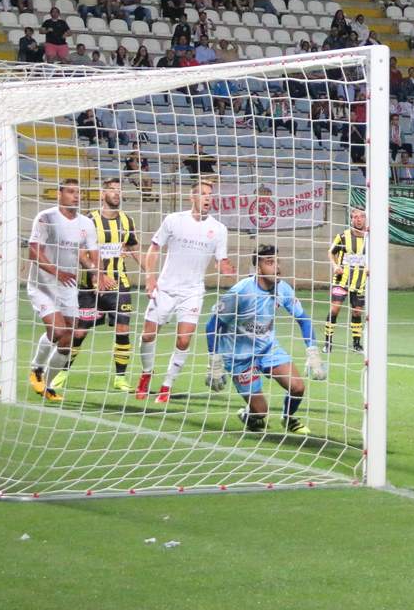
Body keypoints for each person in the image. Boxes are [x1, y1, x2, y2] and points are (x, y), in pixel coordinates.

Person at [205, 245, 326, 435]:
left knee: (297, 387)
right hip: (238, 356)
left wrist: (313, 352)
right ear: (258, 268)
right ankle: (251, 415)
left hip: (267, 348)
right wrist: (214, 361)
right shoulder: (241, 291)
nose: (276, 266)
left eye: (278, 261)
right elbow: (212, 325)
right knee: (261, 412)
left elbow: (303, 320)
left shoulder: (283, 289)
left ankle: (288, 418)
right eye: (270, 262)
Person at [137, 181, 236, 403]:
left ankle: (166, 386)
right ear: (191, 197)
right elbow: (154, 248)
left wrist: (226, 268)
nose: (207, 198)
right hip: (166, 287)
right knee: (148, 334)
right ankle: (146, 374)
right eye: (202, 194)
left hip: (192, 291)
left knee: (183, 340)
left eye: (210, 194)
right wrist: (150, 277)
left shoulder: (219, 229)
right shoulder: (174, 220)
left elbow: (221, 260)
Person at [25, 179, 98, 401]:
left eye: (78, 192)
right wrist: (57, 272)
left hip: (68, 286)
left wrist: (97, 273)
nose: (75, 196)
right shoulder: (46, 218)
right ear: (59, 194)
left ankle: (48, 386)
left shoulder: (86, 223)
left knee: (69, 340)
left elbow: (89, 254)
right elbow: (33, 252)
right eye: (70, 192)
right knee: (58, 331)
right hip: (43, 285)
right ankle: (37, 368)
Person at [68, 178, 141, 391]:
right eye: (111, 189)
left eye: (119, 190)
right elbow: (80, 252)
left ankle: (120, 378)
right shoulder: (89, 220)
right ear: (102, 194)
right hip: (90, 286)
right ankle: (62, 371)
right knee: (80, 332)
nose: (116, 193)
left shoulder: (127, 221)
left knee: (122, 328)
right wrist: (96, 273)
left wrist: (153, 274)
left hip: (119, 283)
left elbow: (134, 248)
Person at [324, 208, 369, 352]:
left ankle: (356, 344)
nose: (359, 219)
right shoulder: (343, 236)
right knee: (335, 309)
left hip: (360, 282)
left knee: (357, 312)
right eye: (355, 217)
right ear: (351, 219)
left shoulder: (370, 238)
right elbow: (331, 252)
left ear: (365, 219)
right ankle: (328, 343)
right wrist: (335, 266)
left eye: (361, 216)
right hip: (341, 280)